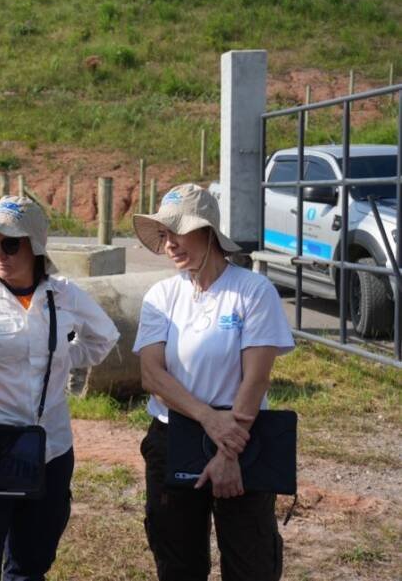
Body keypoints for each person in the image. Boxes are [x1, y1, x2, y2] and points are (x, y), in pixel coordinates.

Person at [0, 195, 120, 581]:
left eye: (11, 244)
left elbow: (103, 337)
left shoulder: (63, 294)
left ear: (36, 247)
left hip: (50, 451)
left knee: (30, 567)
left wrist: (62, 358)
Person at [132, 183, 295, 581]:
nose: (169, 243)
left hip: (243, 434)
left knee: (250, 564)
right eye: (164, 234)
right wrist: (208, 419)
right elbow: (152, 374)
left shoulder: (253, 291)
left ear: (208, 232)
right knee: (178, 562)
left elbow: (256, 378)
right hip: (173, 436)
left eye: (178, 231)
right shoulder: (161, 295)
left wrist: (228, 451)